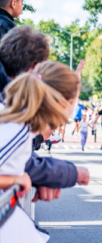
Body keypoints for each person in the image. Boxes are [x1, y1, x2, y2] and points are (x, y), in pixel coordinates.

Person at [0, 61, 79, 196]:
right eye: (74, 101)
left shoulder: (18, 126)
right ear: (64, 104)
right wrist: (16, 180)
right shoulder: (18, 132)